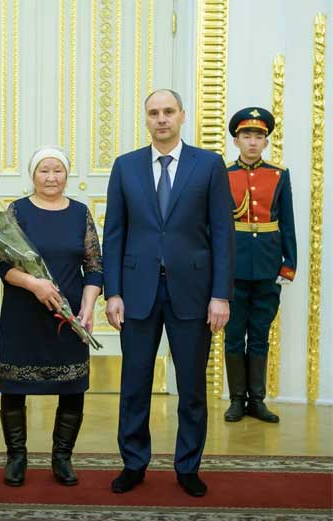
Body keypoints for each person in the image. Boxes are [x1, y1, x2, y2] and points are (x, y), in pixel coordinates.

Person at [102, 89, 235, 497]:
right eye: (154, 113)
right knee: (135, 383)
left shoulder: (209, 165)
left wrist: (220, 294)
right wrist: (113, 292)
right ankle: (134, 462)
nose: (161, 119)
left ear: (182, 116)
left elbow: (222, 234)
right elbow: (115, 234)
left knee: (192, 387)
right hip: (137, 293)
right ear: (146, 119)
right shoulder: (125, 167)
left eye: (168, 112)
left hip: (194, 294)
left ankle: (188, 466)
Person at [0, 146, 102, 488]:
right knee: (14, 387)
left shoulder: (81, 213)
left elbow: (95, 267)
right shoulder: (17, 211)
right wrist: (34, 284)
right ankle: (16, 458)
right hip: (22, 314)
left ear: (66, 175)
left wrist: (87, 306)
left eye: (57, 170)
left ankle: (62, 458)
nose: (51, 177)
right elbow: (2, 264)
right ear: (33, 175)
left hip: (66, 318)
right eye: (44, 171)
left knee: (72, 387)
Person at [223, 107, 297, 424]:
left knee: (260, 335)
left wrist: (288, 264)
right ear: (236, 141)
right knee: (233, 334)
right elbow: (217, 227)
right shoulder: (224, 175)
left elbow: (288, 223)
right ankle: (237, 400)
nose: (252, 142)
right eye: (246, 136)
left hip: (267, 265)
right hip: (234, 267)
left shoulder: (279, 174)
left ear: (265, 142)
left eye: (258, 136)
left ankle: (258, 400)